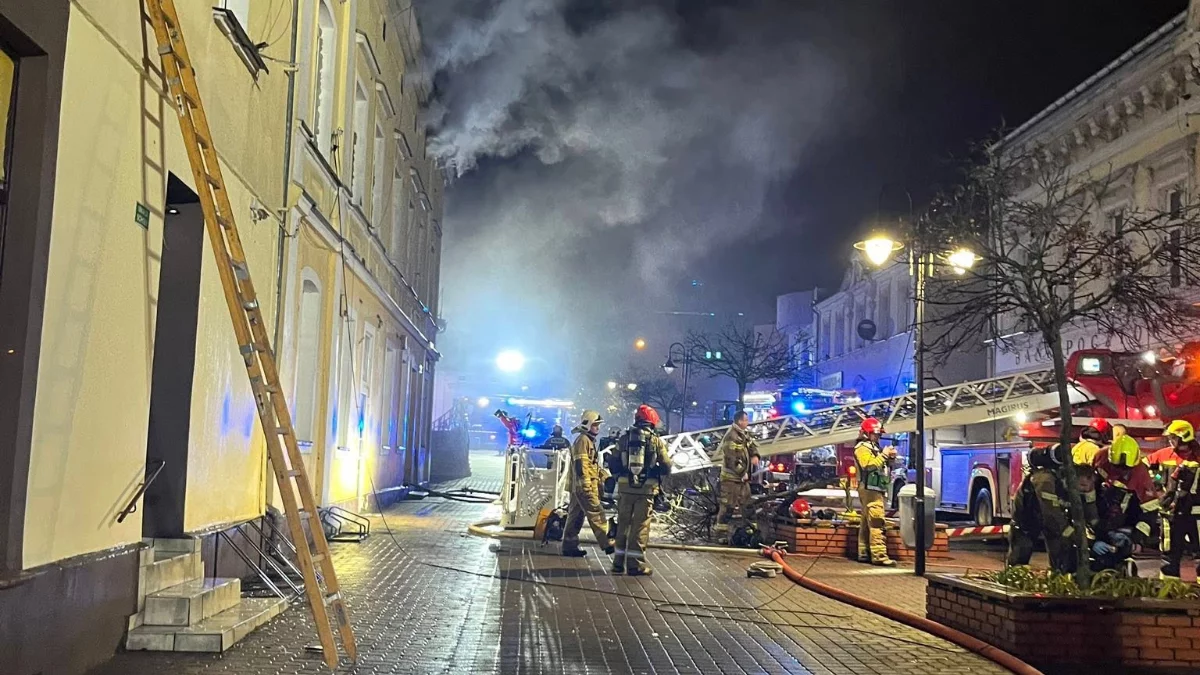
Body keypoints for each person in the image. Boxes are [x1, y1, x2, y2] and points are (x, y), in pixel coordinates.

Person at [611, 404, 672, 576]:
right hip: (645, 491)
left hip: (625, 488)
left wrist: (619, 477)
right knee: (640, 527)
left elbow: (613, 460)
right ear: (652, 421)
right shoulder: (656, 441)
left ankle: (617, 563)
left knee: (623, 525)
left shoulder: (624, 439)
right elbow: (666, 466)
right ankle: (636, 565)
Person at [1007, 444, 1078, 573]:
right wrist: (1067, 531)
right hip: (1027, 523)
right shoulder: (1044, 479)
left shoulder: (1051, 476)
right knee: (1019, 564)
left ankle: (1058, 575)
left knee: (1060, 560)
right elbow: (1050, 510)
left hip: (1039, 522)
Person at [1092, 435, 1157, 573]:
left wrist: (1138, 539)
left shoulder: (1141, 476)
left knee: (1118, 553)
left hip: (1123, 517)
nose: (1120, 471)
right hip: (1098, 511)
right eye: (1116, 466)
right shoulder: (1100, 457)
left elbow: (1150, 510)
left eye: (1125, 468)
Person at [560, 410, 616, 558]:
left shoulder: (587, 440)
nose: (598, 428)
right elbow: (581, 466)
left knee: (576, 516)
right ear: (587, 424)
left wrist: (604, 477)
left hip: (578, 486)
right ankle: (607, 543)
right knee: (597, 512)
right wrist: (586, 487)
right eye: (595, 425)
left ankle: (569, 545)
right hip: (584, 486)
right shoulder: (583, 440)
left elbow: (592, 466)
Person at [1159, 419, 1200, 580]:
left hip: (1196, 513)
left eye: (1173, 437)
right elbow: (1142, 469)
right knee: (1170, 552)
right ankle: (1169, 587)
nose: (1170, 441)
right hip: (1172, 513)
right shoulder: (1164, 454)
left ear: (1184, 437)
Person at [854, 417, 896, 566]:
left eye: (879, 434)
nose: (878, 437)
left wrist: (890, 459)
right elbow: (868, 466)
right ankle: (879, 556)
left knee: (867, 522)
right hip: (870, 489)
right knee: (877, 521)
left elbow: (880, 466)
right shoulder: (862, 448)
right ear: (866, 433)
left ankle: (864, 552)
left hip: (875, 488)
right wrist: (884, 455)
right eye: (875, 434)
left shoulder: (873, 447)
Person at [714, 411, 760, 544]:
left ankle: (750, 532)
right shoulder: (731, 436)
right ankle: (721, 536)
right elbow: (731, 459)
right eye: (746, 420)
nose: (747, 423)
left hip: (741, 480)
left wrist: (755, 455)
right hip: (731, 479)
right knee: (728, 507)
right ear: (740, 421)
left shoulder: (744, 433)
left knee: (748, 505)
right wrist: (742, 472)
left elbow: (751, 445)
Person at [1072, 418, 1111, 533]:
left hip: (1074, 489)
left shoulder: (1078, 446)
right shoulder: (1094, 449)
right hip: (1087, 490)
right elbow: (1100, 471)